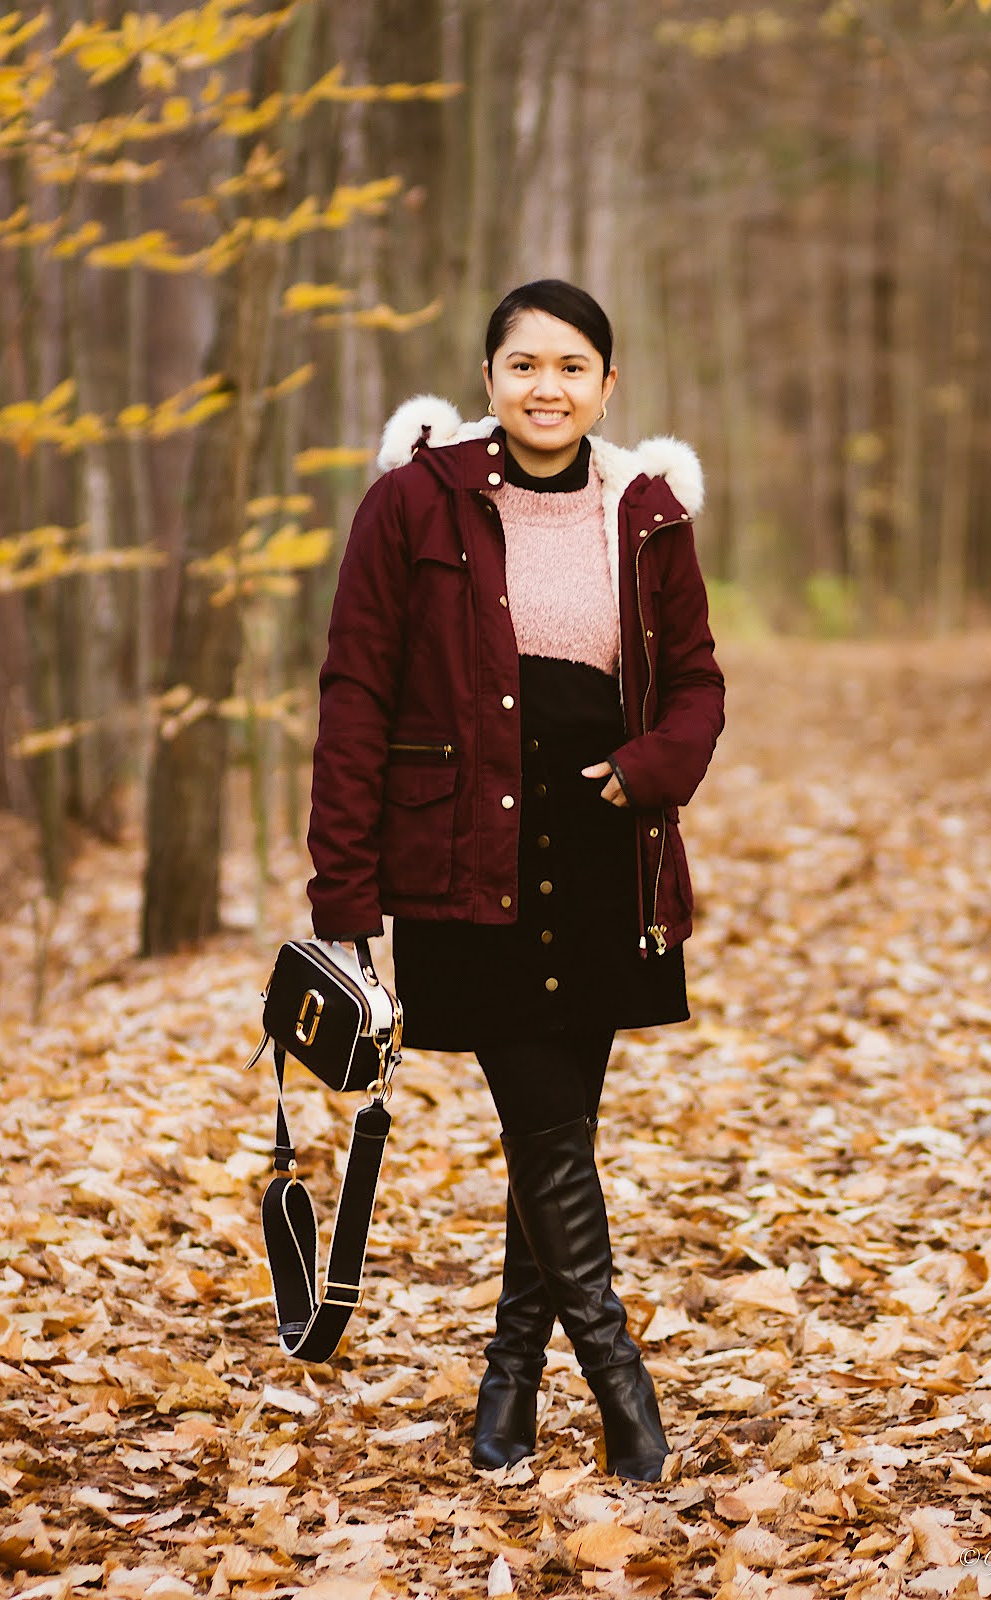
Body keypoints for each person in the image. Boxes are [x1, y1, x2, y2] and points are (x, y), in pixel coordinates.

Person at [307, 279, 725, 1482]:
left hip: (602, 854)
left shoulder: (647, 514)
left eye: (573, 367)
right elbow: (355, 696)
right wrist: (346, 902)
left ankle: (508, 1389)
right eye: (524, 364)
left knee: (556, 1133)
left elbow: (698, 682)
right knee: (549, 1131)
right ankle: (622, 1390)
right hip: (462, 861)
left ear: (609, 385)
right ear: (487, 377)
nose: (548, 387)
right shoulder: (410, 505)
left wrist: (650, 769)